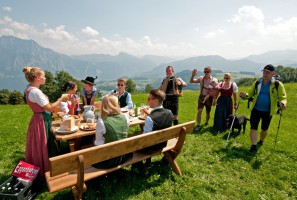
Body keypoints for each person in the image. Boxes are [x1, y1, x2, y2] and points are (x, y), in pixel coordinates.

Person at [23, 66, 69, 178]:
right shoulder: (36, 92)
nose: (45, 77)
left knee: (42, 143)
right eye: (43, 76)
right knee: (44, 143)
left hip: (39, 118)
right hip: (41, 120)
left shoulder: (30, 90)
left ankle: (44, 165)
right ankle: (45, 168)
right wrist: (61, 98)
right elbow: (49, 108)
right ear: (38, 78)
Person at [239, 64, 287, 152]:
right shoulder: (258, 83)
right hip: (256, 109)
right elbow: (250, 94)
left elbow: (283, 97)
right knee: (253, 127)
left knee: (264, 129)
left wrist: (283, 103)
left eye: (267, 72)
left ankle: (261, 140)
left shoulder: (277, 84)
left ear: (273, 73)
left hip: (268, 111)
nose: (265, 74)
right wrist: (244, 95)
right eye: (264, 72)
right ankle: (253, 146)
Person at [133, 89, 173, 173]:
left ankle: (139, 166)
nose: (147, 101)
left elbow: (145, 139)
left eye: (149, 99)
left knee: (133, 139)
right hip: (163, 144)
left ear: (155, 100)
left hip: (151, 148)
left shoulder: (150, 118)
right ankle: (147, 162)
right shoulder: (169, 112)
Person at [93, 95, 131, 168]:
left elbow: (99, 144)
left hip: (110, 160)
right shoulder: (126, 117)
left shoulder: (101, 121)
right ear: (117, 105)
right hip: (125, 155)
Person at [190, 66, 218, 131]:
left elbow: (216, 88)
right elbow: (191, 81)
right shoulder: (201, 78)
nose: (206, 73)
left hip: (209, 98)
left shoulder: (214, 79)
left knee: (208, 112)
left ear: (210, 72)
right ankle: (198, 125)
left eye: (207, 71)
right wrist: (193, 75)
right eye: (205, 71)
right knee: (199, 111)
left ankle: (206, 122)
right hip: (201, 96)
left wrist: (214, 99)